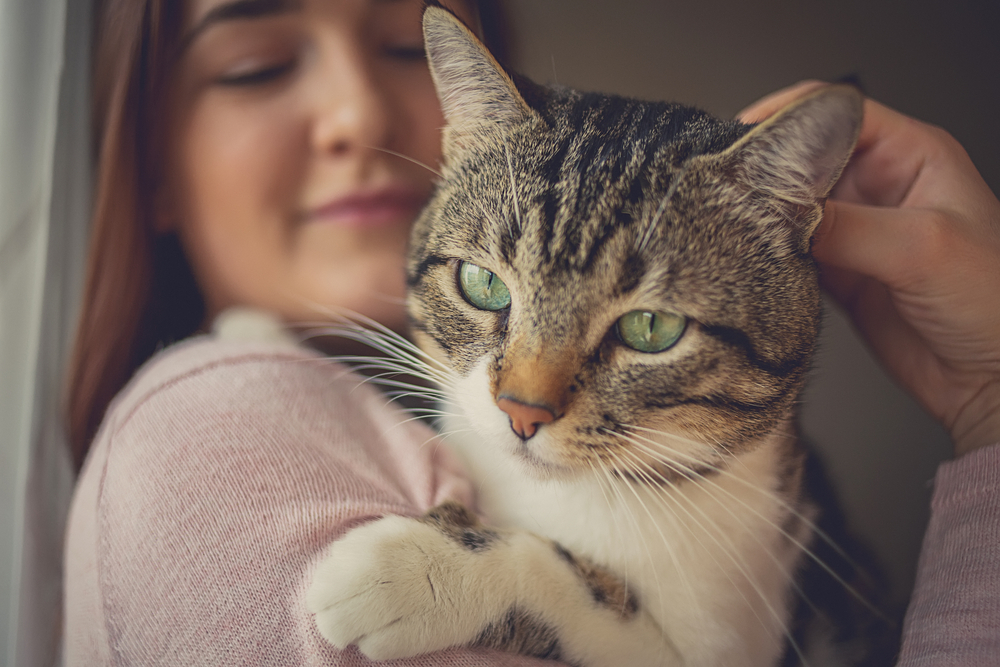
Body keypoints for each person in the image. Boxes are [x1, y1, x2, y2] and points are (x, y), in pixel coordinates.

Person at [62, 0, 1000, 664]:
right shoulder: (198, 429)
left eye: (645, 325)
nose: (528, 396)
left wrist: (987, 397)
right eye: (257, 65)